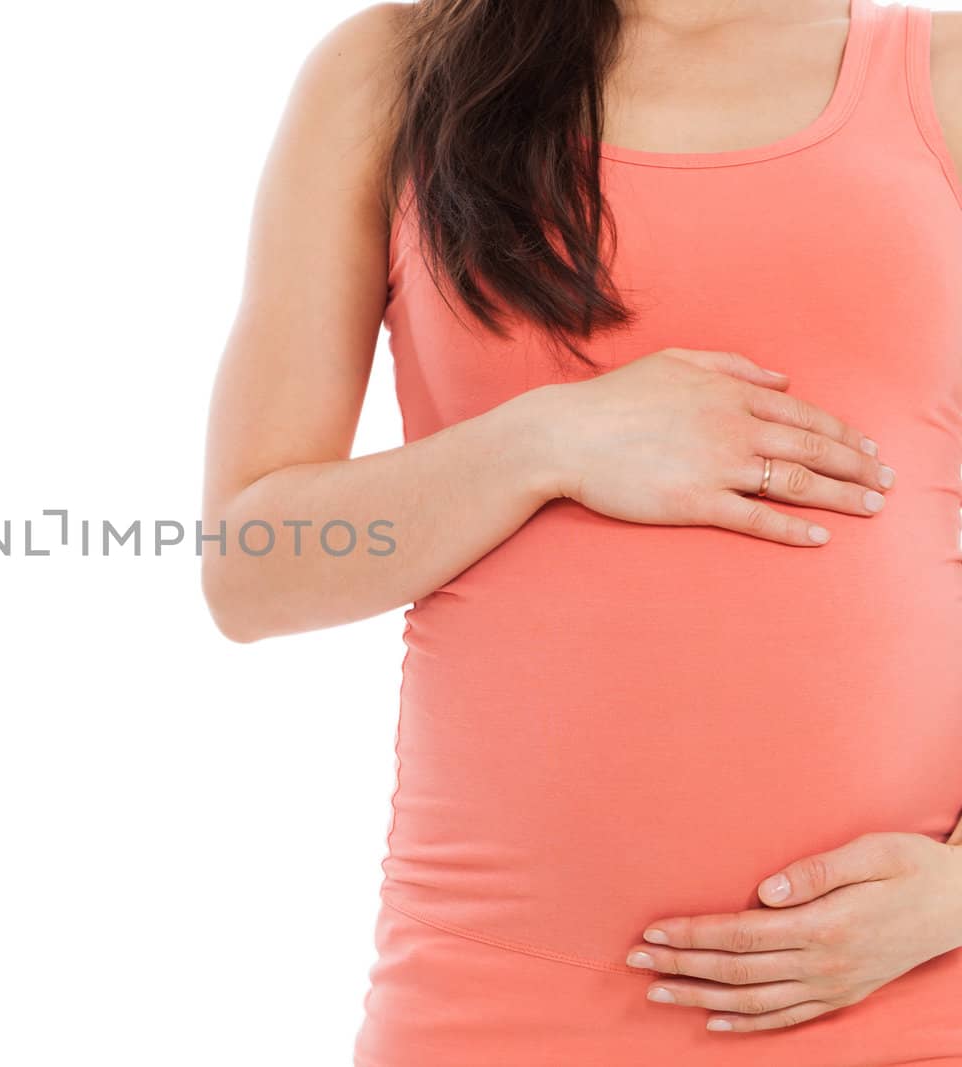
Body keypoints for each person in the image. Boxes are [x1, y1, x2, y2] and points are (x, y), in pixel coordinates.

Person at [199, 1, 962, 1062]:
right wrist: (543, 439)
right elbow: (251, 566)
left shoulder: (942, 74)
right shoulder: (398, 68)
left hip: (901, 990)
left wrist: (954, 899)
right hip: (492, 1002)